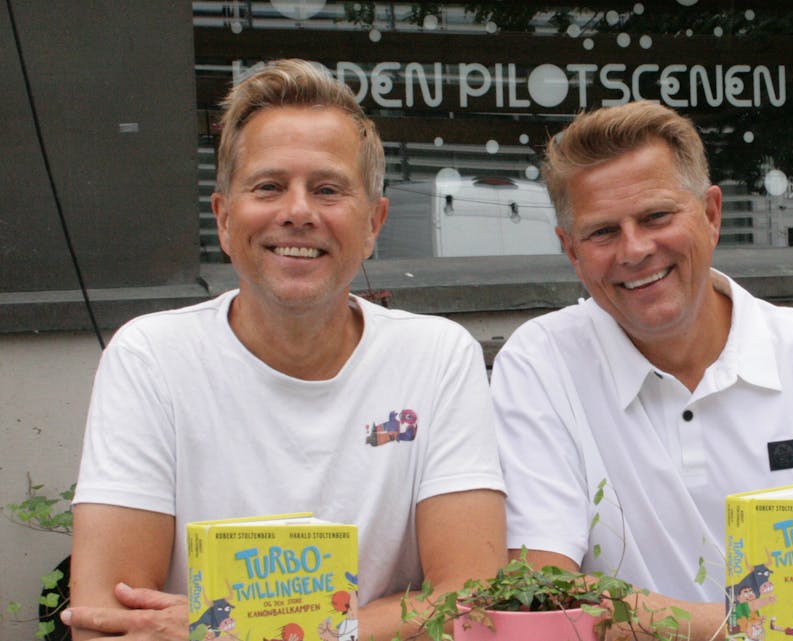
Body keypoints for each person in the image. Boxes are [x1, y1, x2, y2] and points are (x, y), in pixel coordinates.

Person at [489, 100, 793, 640]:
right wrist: (756, 628)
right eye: (603, 232)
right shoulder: (541, 364)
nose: (635, 249)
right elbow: (541, 593)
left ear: (712, 214)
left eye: (656, 216)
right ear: (570, 251)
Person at [64, 59, 506, 641]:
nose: (297, 212)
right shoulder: (151, 358)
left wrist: (250, 634)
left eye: (327, 189)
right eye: (268, 186)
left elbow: (470, 605)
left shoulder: (436, 356)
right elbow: (106, 625)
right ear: (224, 220)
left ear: (374, 223)